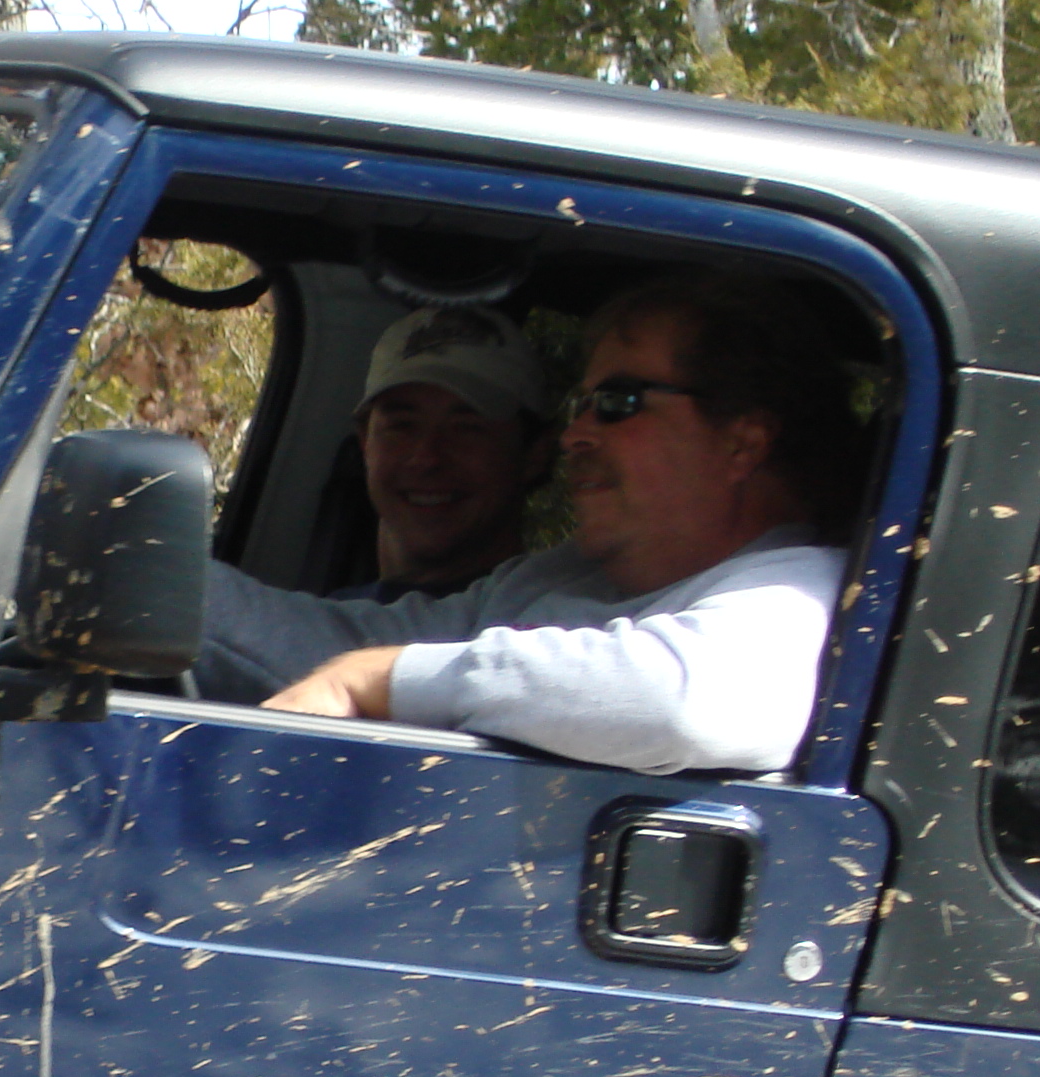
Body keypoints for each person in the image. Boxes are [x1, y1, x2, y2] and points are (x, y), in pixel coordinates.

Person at [193, 270, 869, 774]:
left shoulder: (807, 594)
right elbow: (338, 649)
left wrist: (381, 680)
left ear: (742, 443)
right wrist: (150, 570)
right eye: (580, 405)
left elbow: (685, 706)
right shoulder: (560, 577)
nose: (577, 435)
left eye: (617, 402)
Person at [336, 305, 555, 600]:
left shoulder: (546, 622)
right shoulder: (321, 616)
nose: (426, 457)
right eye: (402, 426)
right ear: (365, 441)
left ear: (535, 453)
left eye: (466, 428)